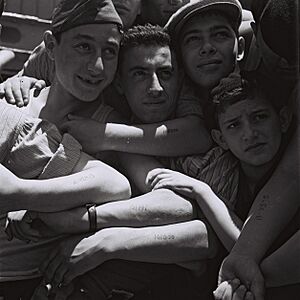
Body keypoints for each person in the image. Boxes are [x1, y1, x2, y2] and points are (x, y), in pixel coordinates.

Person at [10, 24, 218, 300]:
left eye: (165, 74)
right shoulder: (23, 106)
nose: (155, 87)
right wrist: (21, 79)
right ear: (119, 82)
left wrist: (91, 231)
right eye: (139, 74)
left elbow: (200, 232)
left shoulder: (111, 129)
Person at [147, 73, 300, 300]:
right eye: (234, 125)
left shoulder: (289, 180)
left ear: (284, 119)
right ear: (220, 139)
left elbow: (253, 253)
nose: (250, 134)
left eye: (259, 117)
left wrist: (202, 193)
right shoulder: (225, 177)